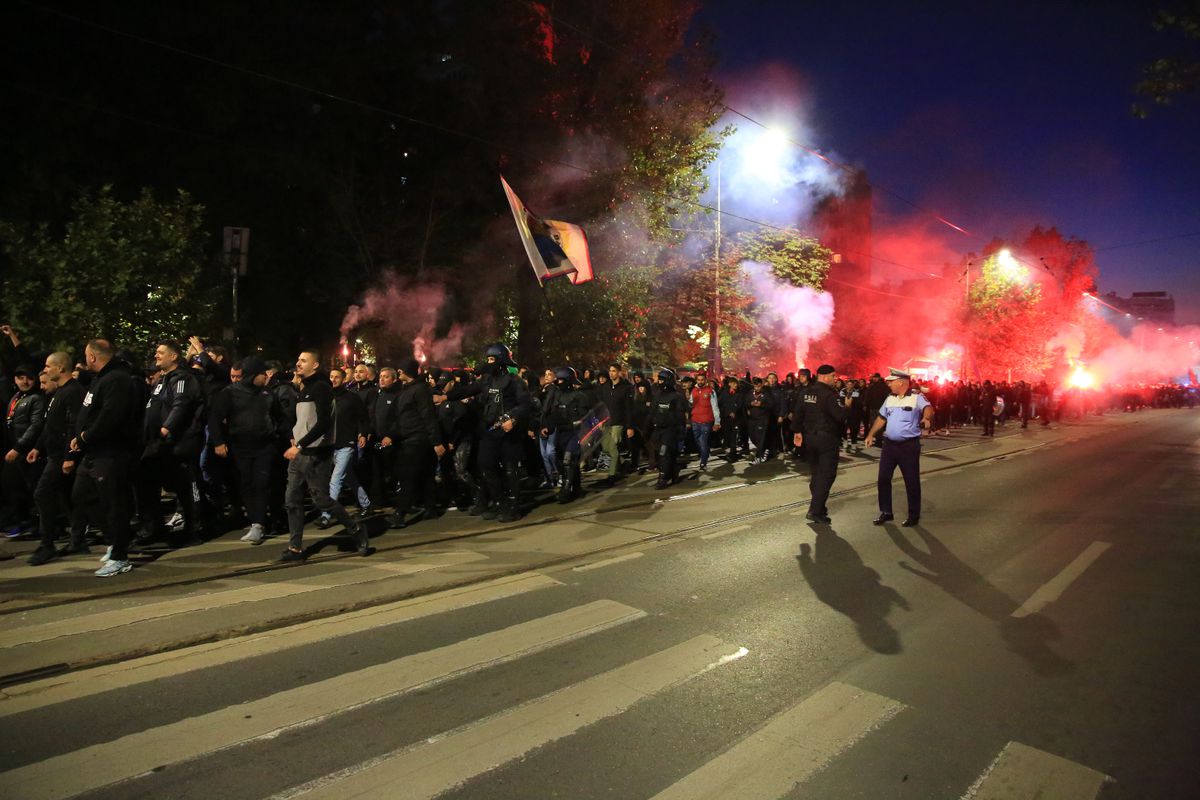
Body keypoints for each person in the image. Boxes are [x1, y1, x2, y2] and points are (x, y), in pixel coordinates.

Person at [279, 350, 372, 562]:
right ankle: (295, 548)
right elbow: (302, 421)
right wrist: (294, 438)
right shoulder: (303, 388)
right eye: (298, 359)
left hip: (316, 454)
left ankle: (356, 529)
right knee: (292, 500)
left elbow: (323, 423)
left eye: (303, 360)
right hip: (300, 453)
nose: (298, 363)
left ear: (315, 365)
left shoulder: (321, 388)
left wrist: (300, 444)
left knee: (321, 500)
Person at [70, 339, 143, 577]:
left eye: (86, 356)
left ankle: (120, 556)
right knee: (82, 495)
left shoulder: (117, 379)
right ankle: (115, 540)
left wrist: (85, 437)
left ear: (92, 356)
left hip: (112, 453)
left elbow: (110, 417)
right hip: (94, 452)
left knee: (115, 505)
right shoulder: (100, 378)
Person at [444, 344, 531, 522]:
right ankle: (501, 502)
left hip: (508, 432)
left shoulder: (515, 381)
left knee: (510, 469)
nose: (488, 363)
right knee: (486, 466)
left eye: (492, 359)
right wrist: (445, 396)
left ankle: (513, 508)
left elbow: (525, 405)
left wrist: (513, 419)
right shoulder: (486, 381)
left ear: (501, 361)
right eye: (488, 359)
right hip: (489, 431)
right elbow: (466, 391)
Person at [137, 342, 207, 547]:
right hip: (162, 445)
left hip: (179, 444)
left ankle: (195, 528)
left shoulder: (182, 379)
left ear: (173, 356)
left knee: (188, 485)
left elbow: (181, 405)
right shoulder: (163, 380)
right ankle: (156, 527)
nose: (156, 355)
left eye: (161, 352)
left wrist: (165, 429)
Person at [208, 357, 281, 545]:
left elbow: (279, 418)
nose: (266, 376)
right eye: (262, 374)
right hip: (239, 447)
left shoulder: (268, 393)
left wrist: (286, 437)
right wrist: (218, 442)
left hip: (265, 446)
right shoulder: (230, 393)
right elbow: (215, 418)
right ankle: (256, 519)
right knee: (246, 483)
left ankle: (259, 523)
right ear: (252, 375)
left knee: (262, 482)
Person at [27, 353, 88, 564]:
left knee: (43, 493)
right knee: (66, 497)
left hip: (61, 456)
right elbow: (50, 425)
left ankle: (47, 543)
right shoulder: (58, 393)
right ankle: (78, 539)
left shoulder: (73, 392)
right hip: (54, 454)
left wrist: (69, 456)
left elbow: (74, 425)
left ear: (60, 368)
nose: (45, 370)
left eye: (48, 366)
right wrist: (38, 448)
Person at [865, 368, 934, 527]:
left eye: (891, 381)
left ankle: (914, 515)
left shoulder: (917, 396)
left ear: (901, 382)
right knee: (883, 478)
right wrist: (870, 435)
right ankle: (886, 512)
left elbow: (928, 409)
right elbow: (881, 418)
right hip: (889, 445)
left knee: (911, 481)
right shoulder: (890, 398)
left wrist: (926, 418)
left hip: (908, 446)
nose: (889, 384)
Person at [385, 357, 446, 528]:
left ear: (404, 372)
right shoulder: (409, 390)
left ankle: (400, 514)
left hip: (417, 439)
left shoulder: (419, 390)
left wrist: (436, 442)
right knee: (425, 475)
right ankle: (430, 507)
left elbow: (428, 416)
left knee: (408, 477)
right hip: (412, 438)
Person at [791, 364, 849, 524]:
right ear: (824, 377)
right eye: (833, 376)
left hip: (809, 438)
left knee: (816, 473)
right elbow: (840, 416)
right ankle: (815, 511)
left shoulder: (806, 392)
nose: (835, 379)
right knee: (827, 474)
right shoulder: (830, 395)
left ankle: (819, 505)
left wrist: (797, 431)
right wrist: (847, 407)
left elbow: (798, 414)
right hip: (827, 439)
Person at [2, 364, 46, 536]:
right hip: (17, 450)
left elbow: (36, 426)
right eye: (21, 378)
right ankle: (24, 522)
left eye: (28, 378)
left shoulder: (36, 398)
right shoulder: (15, 397)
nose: (25, 381)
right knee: (13, 487)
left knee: (34, 489)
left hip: (29, 451)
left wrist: (19, 447)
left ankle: (40, 525)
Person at [541, 367, 592, 503]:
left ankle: (566, 488)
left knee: (568, 460)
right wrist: (547, 426)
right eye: (559, 380)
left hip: (576, 432)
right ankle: (577, 488)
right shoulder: (557, 395)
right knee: (565, 462)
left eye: (563, 380)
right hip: (561, 432)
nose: (560, 382)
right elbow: (553, 413)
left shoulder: (580, 396)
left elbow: (586, 415)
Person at [649, 368, 688, 489]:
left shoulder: (677, 397)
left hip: (670, 430)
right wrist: (648, 428)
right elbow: (652, 413)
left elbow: (681, 416)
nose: (660, 383)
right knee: (660, 454)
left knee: (664, 453)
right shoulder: (657, 395)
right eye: (659, 380)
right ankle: (673, 470)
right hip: (658, 429)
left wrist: (682, 431)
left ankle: (663, 477)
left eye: (662, 380)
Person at [598, 364, 635, 485]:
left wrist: (629, 426)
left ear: (619, 372)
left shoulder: (625, 388)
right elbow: (601, 405)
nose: (611, 373)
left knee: (613, 448)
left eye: (614, 371)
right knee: (606, 448)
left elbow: (629, 408)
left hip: (618, 422)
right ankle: (623, 462)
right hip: (606, 422)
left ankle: (612, 475)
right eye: (610, 371)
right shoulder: (605, 387)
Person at [687, 371, 721, 470]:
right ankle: (705, 453)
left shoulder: (711, 391)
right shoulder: (693, 390)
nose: (700, 381)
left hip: (706, 421)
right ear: (696, 380)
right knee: (698, 441)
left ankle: (703, 462)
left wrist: (717, 422)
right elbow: (690, 405)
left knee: (703, 441)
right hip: (695, 420)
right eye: (699, 380)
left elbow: (715, 407)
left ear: (705, 380)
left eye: (702, 380)